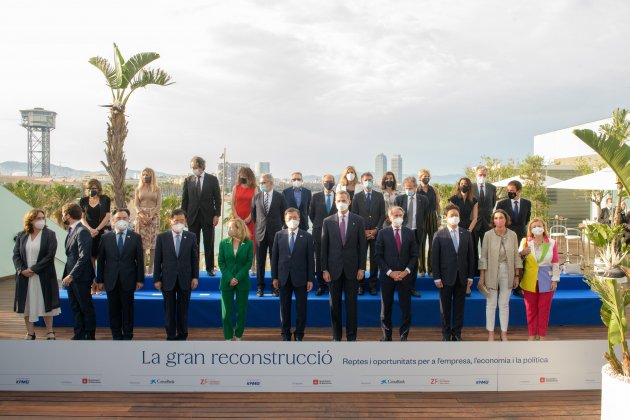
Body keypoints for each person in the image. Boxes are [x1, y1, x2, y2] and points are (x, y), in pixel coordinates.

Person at [321, 190, 367, 341]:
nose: (341, 203)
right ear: (335, 203)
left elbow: (362, 246)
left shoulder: (358, 220)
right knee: (334, 306)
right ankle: (336, 337)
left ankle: (352, 337)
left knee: (351, 305)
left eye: (344, 200)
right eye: (338, 201)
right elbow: (324, 248)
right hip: (333, 271)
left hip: (352, 270)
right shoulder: (327, 221)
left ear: (349, 202)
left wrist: (362, 268)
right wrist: (324, 269)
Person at [96, 208, 144, 340]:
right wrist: (99, 280)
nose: (121, 221)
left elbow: (140, 260)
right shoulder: (106, 238)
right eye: (118, 218)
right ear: (113, 220)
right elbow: (101, 260)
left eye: (124, 218)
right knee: (113, 310)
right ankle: (116, 335)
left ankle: (128, 335)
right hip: (111, 279)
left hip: (128, 279)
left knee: (128, 309)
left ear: (129, 220)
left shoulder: (135, 237)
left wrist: (140, 279)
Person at [13, 209, 60, 340]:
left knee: (46, 302)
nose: (41, 220)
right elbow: (16, 255)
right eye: (38, 218)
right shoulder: (22, 235)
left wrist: (33, 269)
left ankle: (50, 331)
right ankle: (30, 332)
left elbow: (50, 256)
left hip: (43, 274)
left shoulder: (50, 234)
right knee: (27, 303)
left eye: (43, 218)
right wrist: (21, 269)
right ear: (31, 220)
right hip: (24, 275)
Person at [153, 209, 199, 341]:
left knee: (183, 309)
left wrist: (195, 277)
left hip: (186, 278)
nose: (179, 223)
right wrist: (157, 279)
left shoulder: (191, 236)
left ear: (185, 221)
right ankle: (171, 334)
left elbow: (194, 259)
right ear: (170, 221)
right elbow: (157, 260)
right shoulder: (162, 237)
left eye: (182, 221)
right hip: (168, 278)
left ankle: (183, 334)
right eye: (176, 220)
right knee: (169, 309)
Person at [431, 204, 475, 341]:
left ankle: (457, 333)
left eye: (456, 215)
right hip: (445, 278)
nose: (454, 218)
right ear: (446, 217)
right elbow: (435, 258)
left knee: (459, 308)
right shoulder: (439, 234)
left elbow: (471, 257)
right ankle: (445, 333)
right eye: (451, 216)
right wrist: (436, 277)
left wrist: (470, 276)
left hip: (462, 278)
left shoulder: (466, 234)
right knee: (445, 308)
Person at [375, 206, 419, 341]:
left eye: (400, 215)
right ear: (389, 217)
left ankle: (403, 336)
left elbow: (414, 255)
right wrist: (390, 272)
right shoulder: (382, 233)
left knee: (406, 309)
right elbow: (378, 255)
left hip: (405, 277)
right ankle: (386, 336)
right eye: (395, 215)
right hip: (387, 277)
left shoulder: (410, 233)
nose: (398, 218)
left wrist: (406, 272)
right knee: (385, 308)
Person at [478, 209, 522, 341]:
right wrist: (482, 277)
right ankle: (490, 333)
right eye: (496, 218)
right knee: (491, 304)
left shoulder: (513, 235)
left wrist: (517, 275)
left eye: (501, 217)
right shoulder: (487, 235)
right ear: (493, 221)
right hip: (490, 271)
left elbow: (516, 256)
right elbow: (483, 257)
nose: (498, 220)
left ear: (506, 219)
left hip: (507, 271)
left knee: (504, 304)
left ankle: (503, 333)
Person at [272, 208, 315, 341]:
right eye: (289, 217)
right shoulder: (279, 235)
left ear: (300, 219)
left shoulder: (307, 236)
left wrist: (310, 279)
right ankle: (285, 333)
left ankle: (299, 333)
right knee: (284, 308)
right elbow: (274, 257)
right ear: (285, 220)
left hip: (301, 278)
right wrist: (274, 277)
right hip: (283, 278)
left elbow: (310, 259)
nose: (292, 220)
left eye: (295, 217)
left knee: (301, 309)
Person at [519, 218, 560, 341]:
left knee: (544, 309)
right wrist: (522, 253)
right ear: (530, 229)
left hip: (547, 279)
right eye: (534, 226)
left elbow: (555, 262)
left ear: (544, 228)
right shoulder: (525, 241)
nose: (537, 228)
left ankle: (542, 335)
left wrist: (554, 280)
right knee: (530, 309)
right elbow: (517, 258)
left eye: (539, 225)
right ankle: (531, 335)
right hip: (529, 280)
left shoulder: (552, 242)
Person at [61, 202, 96, 340]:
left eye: (63, 213)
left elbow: (84, 257)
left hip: (80, 277)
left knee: (85, 307)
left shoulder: (82, 231)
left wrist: (71, 275)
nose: (62, 216)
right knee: (75, 307)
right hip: (71, 277)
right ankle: (79, 334)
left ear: (68, 215)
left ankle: (89, 335)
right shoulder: (71, 230)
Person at [181, 156, 221, 275]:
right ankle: (194, 269)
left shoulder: (212, 180)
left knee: (209, 242)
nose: (193, 169)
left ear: (202, 166)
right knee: (193, 243)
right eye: (192, 167)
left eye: (195, 167)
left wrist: (216, 215)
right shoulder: (188, 180)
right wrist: (184, 217)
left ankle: (210, 268)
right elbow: (185, 200)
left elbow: (217, 199)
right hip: (192, 217)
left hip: (208, 216)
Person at [218, 218, 254, 341]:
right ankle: (228, 336)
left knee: (241, 311)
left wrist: (237, 278)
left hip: (242, 281)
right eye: (228, 227)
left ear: (239, 228)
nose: (228, 229)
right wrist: (230, 278)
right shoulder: (223, 243)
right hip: (226, 282)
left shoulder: (249, 243)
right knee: (226, 312)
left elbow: (248, 263)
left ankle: (238, 335)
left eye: (231, 227)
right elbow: (221, 262)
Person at [251, 173, 287, 297]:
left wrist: (278, 227)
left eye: (263, 182)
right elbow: (254, 216)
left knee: (275, 261)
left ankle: (275, 287)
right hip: (260, 234)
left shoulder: (280, 197)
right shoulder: (256, 197)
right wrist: (261, 226)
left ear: (270, 183)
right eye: (260, 182)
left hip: (275, 234)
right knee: (260, 261)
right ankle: (260, 287)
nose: (261, 184)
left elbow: (284, 215)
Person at [495, 180, 531, 297]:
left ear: (519, 191)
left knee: (520, 261)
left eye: (512, 191)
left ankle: (518, 287)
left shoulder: (527, 203)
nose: (509, 193)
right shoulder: (502, 204)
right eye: (508, 190)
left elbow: (526, 220)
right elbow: (498, 220)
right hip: (506, 235)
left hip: (521, 236)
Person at [351, 172, 385, 295]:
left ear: (373, 181)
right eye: (366, 180)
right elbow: (354, 215)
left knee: (375, 260)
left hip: (376, 233)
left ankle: (372, 285)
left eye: (370, 179)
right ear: (361, 181)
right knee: (361, 259)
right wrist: (363, 231)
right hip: (361, 234)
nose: (368, 182)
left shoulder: (379, 196)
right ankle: (360, 284)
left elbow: (382, 214)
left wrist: (376, 229)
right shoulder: (357, 197)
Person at [395, 176, 429, 298]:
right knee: (401, 258)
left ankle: (411, 287)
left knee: (413, 260)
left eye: (410, 188)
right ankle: (399, 285)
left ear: (415, 187)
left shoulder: (423, 200)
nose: (408, 190)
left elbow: (424, 216)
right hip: (402, 232)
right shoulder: (399, 199)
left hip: (416, 232)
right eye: (406, 188)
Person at [79, 178, 111, 294]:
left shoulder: (105, 199)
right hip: (88, 233)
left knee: (102, 259)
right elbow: (82, 217)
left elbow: (107, 216)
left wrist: (97, 229)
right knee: (90, 259)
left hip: (102, 232)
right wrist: (90, 229)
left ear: (98, 188)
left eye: (94, 188)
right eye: (89, 188)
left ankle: (102, 285)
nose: (92, 190)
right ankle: (93, 285)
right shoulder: (83, 201)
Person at [448, 177, 479, 296]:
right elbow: (450, 215)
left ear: (469, 186)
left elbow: (475, 217)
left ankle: (467, 286)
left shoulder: (474, 200)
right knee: (455, 255)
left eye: (465, 184)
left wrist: (469, 230)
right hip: (455, 228)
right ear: (458, 185)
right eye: (461, 183)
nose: (463, 185)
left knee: (467, 257)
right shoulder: (453, 199)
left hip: (468, 230)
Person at [309, 174, 337, 296]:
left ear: (334, 183)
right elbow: (311, 214)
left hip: (335, 233)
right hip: (318, 231)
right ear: (322, 182)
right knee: (320, 259)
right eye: (326, 181)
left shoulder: (339, 197)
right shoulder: (315, 197)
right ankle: (321, 285)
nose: (328, 183)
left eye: (330, 181)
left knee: (333, 258)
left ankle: (332, 284)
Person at [133, 167, 161, 276]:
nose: (145, 176)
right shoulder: (138, 189)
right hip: (141, 218)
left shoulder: (157, 189)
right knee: (142, 246)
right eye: (144, 174)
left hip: (154, 218)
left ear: (152, 176)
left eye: (148, 174)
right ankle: (143, 269)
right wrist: (142, 215)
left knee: (153, 245)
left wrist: (151, 215)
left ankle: (151, 269)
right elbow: (136, 204)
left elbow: (158, 205)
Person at [230, 166, 257, 274]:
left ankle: (253, 266)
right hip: (237, 218)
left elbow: (255, 205)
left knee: (251, 242)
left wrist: (250, 217)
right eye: (240, 175)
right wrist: (236, 217)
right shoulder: (235, 187)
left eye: (244, 175)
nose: (242, 177)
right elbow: (232, 203)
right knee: (237, 241)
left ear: (249, 176)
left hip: (250, 219)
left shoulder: (255, 188)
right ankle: (237, 266)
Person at [417, 169, 441, 276]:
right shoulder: (416, 190)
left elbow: (437, 205)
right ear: (419, 177)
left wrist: (439, 217)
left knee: (433, 243)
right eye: (423, 176)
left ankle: (431, 269)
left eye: (427, 176)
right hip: (420, 218)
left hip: (432, 216)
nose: (426, 178)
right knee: (421, 243)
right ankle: (421, 269)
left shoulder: (434, 190)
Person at [472, 166, 497, 248]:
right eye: (480, 175)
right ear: (476, 175)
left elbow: (492, 204)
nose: (482, 177)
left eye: (484, 175)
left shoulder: (492, 188)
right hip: (474, 224)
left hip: (487, 223)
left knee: (487, 248)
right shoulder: (471, 188)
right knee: (473, 248)